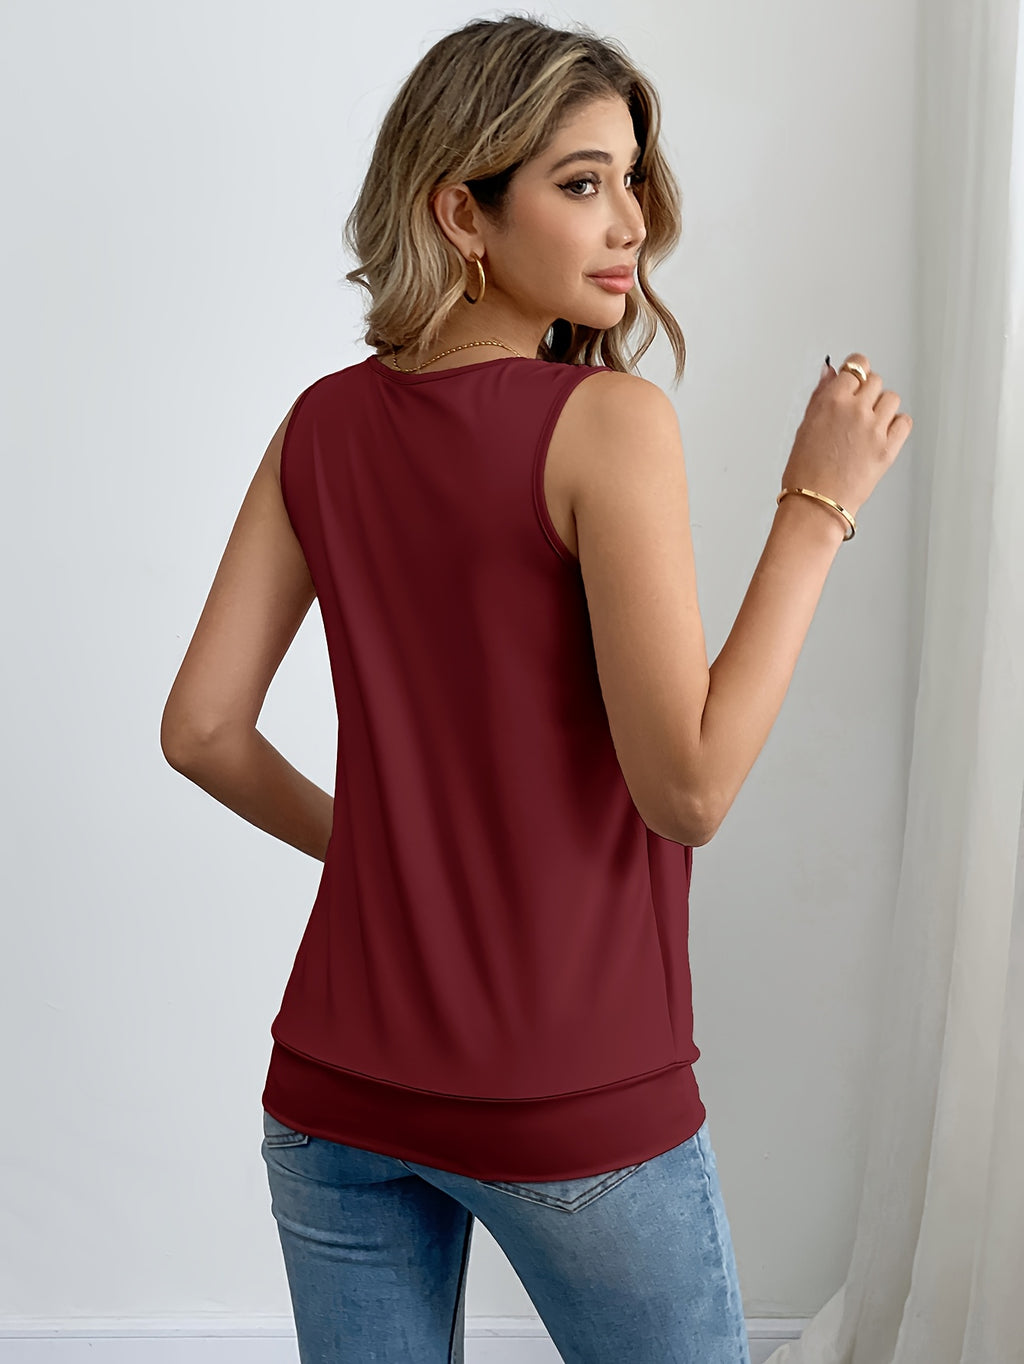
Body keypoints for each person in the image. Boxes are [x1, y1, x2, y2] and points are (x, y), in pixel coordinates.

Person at [160, 13, 913, 1363]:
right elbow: (690, 791)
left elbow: (204, 731)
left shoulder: (320, 426)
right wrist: (817, 507)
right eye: (581, 183)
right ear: (462, 211)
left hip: (334, 1093)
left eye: (633, 178)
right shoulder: (607, 422)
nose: (632, 222)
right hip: (570, 1096)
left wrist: (382, 856)